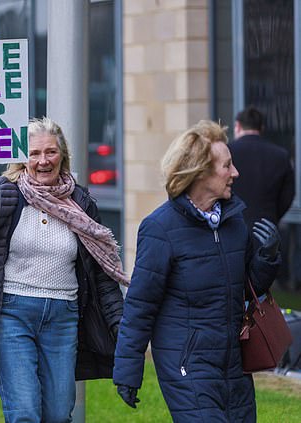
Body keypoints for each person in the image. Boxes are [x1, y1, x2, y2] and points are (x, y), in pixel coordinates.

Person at [0, 117, 127, 423]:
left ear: (62, 155)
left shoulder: (80, 201)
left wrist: (120, 323)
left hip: (63, 318)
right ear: (23, 159)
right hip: (13, 313)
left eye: (50, 152)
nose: (43, 160)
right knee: (24, 413)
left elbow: (100, 271)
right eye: (34, 153)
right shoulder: (5, 192)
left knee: (59, 413)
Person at [113, 120, 281, 422]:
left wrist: (267, 258)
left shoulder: (233, 222)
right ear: (200, 173)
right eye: (227, 166)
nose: (235, 173)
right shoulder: (160, 228)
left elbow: (243, 288)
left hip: (233, 363)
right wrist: (127, 371)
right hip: (187, 366)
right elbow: (140, 306)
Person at [228, 106, 295, 228]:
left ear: (237, 126)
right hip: (267, 228)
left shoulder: (227, 152)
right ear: (262, 128)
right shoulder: (280, 155)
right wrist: (272, 216)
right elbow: (288, 195)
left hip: (231, 227)